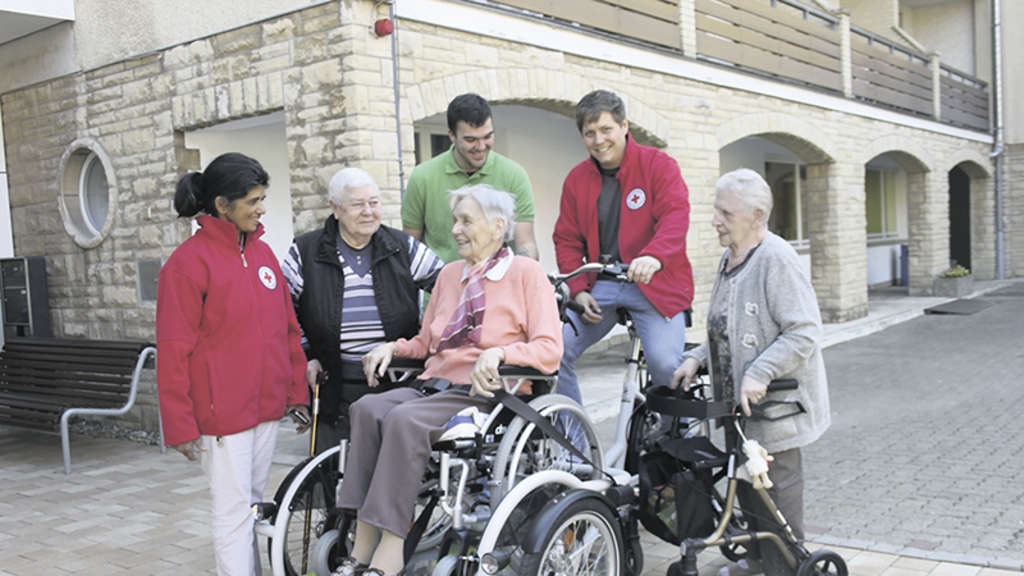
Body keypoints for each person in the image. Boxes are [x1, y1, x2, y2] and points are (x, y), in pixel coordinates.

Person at [331, 184, 563, 576]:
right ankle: (363, 534)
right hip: (433, 384)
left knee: (405, 421)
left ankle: (389, 549)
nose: (456, 229)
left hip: (486, 393)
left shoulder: (526, 273)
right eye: (455, 220)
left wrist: (502, 352)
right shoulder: (450, 275)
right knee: (367, 408)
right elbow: (428, 341)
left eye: (466, 221)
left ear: (497, 226)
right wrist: (395, 348)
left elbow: (549, 348)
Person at [671, 169, 832, 576]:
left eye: (725, 212)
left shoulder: (777, 260)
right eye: (716, 210)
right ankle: (759, 562)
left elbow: (804, 331)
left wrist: (760, 371)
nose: (715, 220)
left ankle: (786, 567)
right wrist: (697, 357)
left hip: (777, 408)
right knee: (746, 484)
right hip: (737, 408)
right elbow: (726, 328)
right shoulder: (732, 257)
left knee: (776, 491)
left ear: (756, 215)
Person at [156, 152, 310, 576]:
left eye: (263, 199)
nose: (261, 208)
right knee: (233, 513)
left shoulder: (263, 256)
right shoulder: (186, 264)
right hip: (220, 417)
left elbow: (287, 330)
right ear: (222, 205)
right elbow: (172, 349)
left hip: (264, 410)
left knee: (252, 506)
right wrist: (180, 424)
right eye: (253, 200)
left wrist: (297, 392)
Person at [281, 167, 444, 453]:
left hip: (396, 379)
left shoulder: (403, 248)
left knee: (389, 465)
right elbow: (282, 312)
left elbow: (449, 290)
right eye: (358, 204)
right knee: (330, 469)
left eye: (374, 202)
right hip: (331, 381)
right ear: (335, 209)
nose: (368, 211)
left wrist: (431, 337)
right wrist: (306, 355)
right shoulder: (305, 252)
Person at [553, 89, 693, 408]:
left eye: (606, 129)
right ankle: (575, 447)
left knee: (666, 366)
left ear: (624, 126)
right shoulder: (576, 180)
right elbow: (566, 238)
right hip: (602, 284)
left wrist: (653, 256)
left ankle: (676, 441)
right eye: (589, 133)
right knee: (552, 353)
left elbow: (675, 216)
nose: (598, 140)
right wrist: (577, 290)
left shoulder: (659, 165)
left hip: (654, 285)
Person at [402, 93, 539, 262]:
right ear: (452, 135)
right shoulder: (422, 177)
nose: (481, 147)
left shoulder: (514, 176)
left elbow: (525, 242)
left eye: (487, 136)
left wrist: (527, 274)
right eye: (470, 139)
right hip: (440, 285)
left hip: (499, 284)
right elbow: (410, 247)